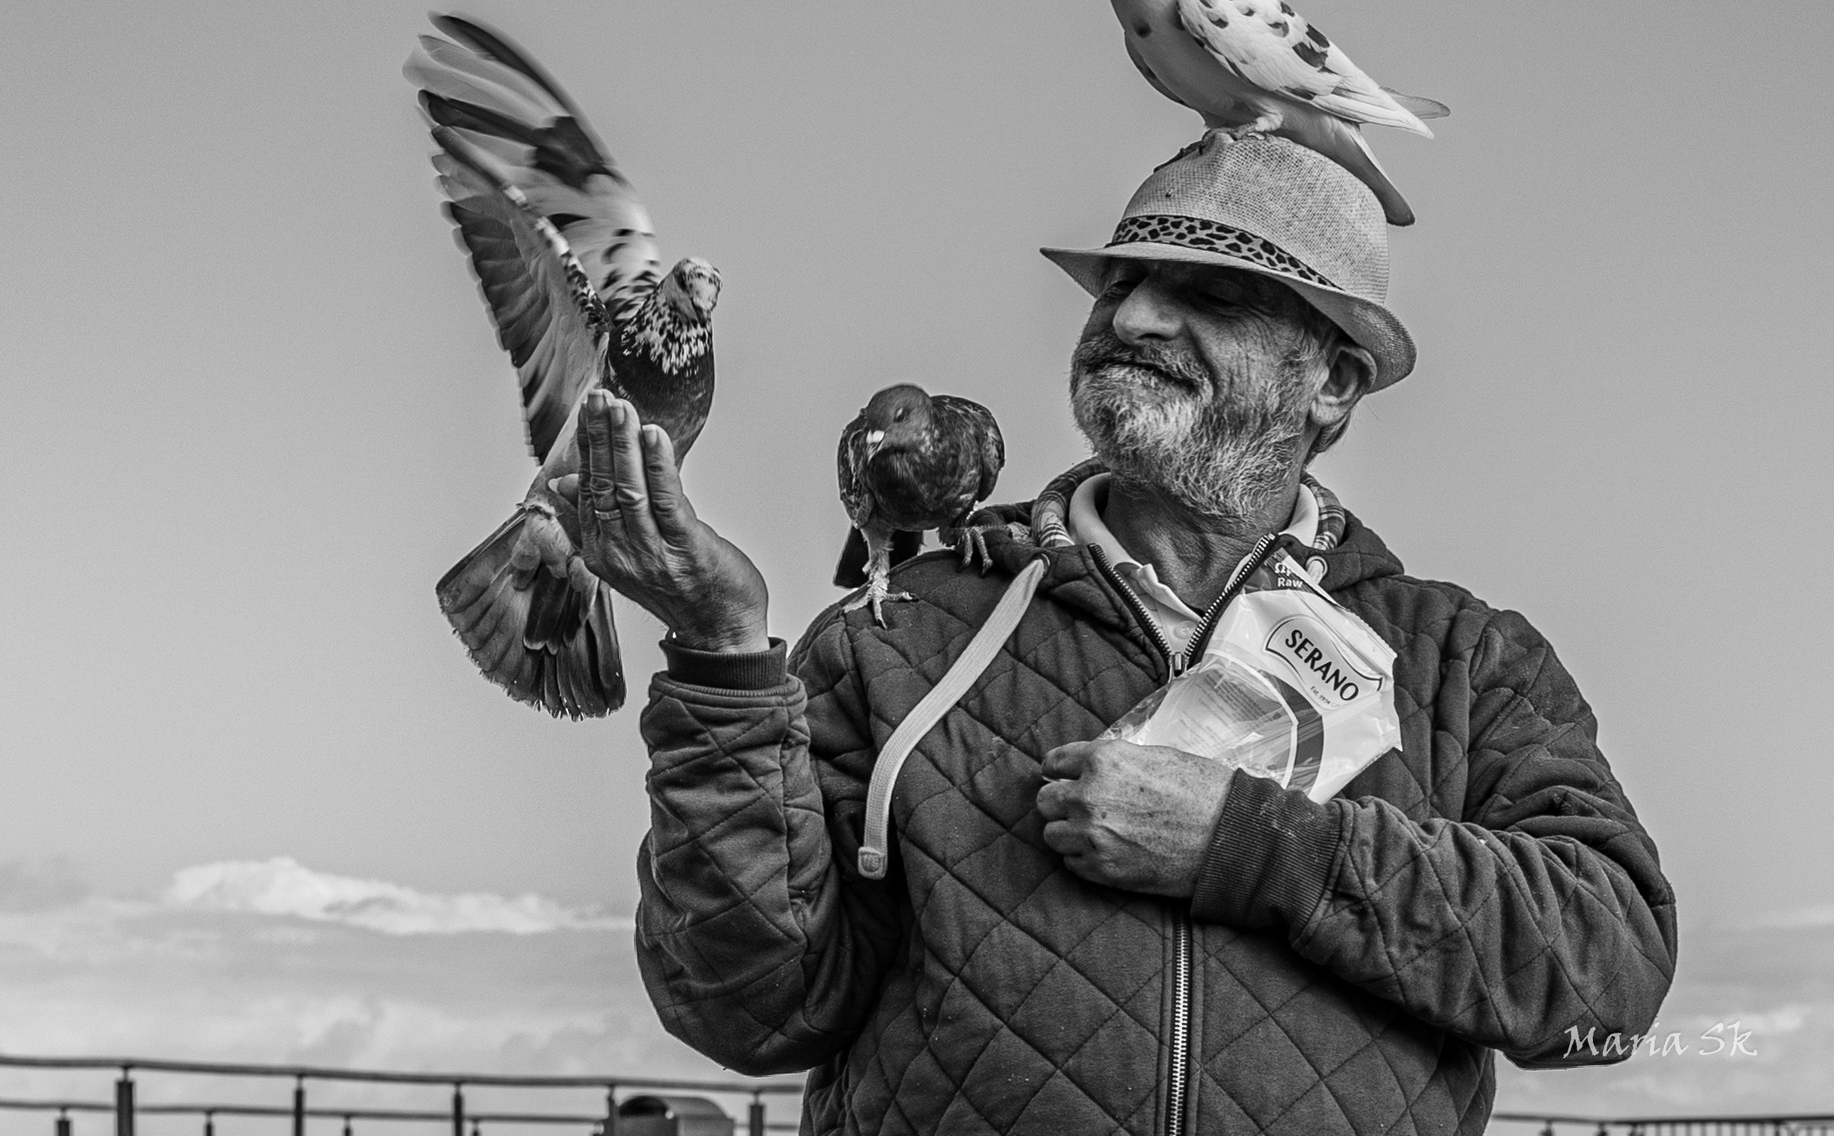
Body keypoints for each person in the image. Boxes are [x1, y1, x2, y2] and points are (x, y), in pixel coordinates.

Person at [563, 137, 1675, 1136]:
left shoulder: (1464, 661)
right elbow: (750, 1007)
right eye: (1122, 282)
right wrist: (720, 654)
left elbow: (1609, 974)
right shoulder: (896, 633)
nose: (1133, 317)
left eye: (1211, 293)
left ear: (1332, 381)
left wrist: (1251, 846)